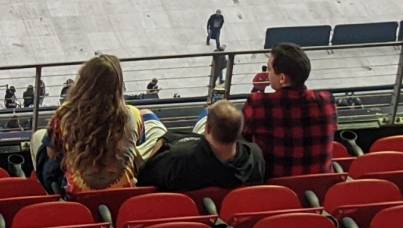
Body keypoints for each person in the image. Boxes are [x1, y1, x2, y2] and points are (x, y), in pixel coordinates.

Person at [39, 53, 162, 193]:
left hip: (77, 193)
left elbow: (52, 153)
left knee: (43, 146)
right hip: (122, 192)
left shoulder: (65, 114)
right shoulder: (132, 114)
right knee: (147, 116)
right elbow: (137, 141)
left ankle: (52, 191)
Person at [243, 42, 331, 180]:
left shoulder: (259, 103)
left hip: (274, 189)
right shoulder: (326, 101)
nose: (267, 73)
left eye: (269, 69)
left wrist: (257, 89)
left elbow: (244, 134)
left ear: (282, 78)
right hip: (318, 189)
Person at [139, 101, 265, 193]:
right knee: (209, 112)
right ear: (240, 130)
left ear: (208, 128)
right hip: (222, 213)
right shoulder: (255, 155)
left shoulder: (177, 159)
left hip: (183, 211)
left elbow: (144, 176)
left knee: (145, 113)